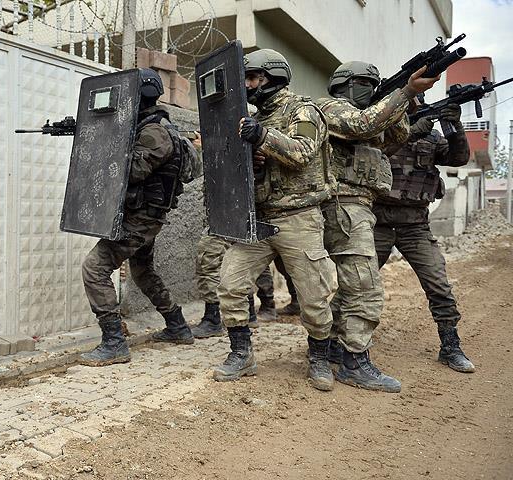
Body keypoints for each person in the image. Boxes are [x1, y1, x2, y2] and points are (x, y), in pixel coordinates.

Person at [211, 49, 339, 391]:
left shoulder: (302, 110)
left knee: (313, 296)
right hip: (259, 220)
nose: (246, 85)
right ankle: (242, 354)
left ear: (271, 78)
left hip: (299, 218)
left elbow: (302, 153)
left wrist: (262, 137)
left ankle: (319, 358)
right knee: (231, 285)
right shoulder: (253, 118)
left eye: (251, 78)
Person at [316, 62, 439, 392]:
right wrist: (405, 91)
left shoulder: (368, 116)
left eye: (375, 84)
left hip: (359, 206)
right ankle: (354, 361)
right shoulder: (331, 108)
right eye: (366, 83)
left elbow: (396, 138)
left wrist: (402, 104)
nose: (371, 89)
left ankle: (333, 345)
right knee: (364, 285)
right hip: (343, 204)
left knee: (352, 283)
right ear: (345, 84)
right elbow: (362, 125)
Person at [80, 68, 194, 367]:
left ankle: (114, 343)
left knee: (95, 268)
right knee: (143, 272)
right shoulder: (149, 126)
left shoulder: (155, 132)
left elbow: (132, 171)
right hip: (142, 216)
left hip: (140, 219)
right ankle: (178, 326)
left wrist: (101, 143)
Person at [374, 100, 475, 373]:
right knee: (357, 284)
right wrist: (408, 132)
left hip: (415, 225)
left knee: (438, 284)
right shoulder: (379, 128)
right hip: (377, 222)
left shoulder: (432, 136)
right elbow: (375, 151)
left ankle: (450, 346)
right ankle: (334, 342)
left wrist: (455, 126)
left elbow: (458, 158)